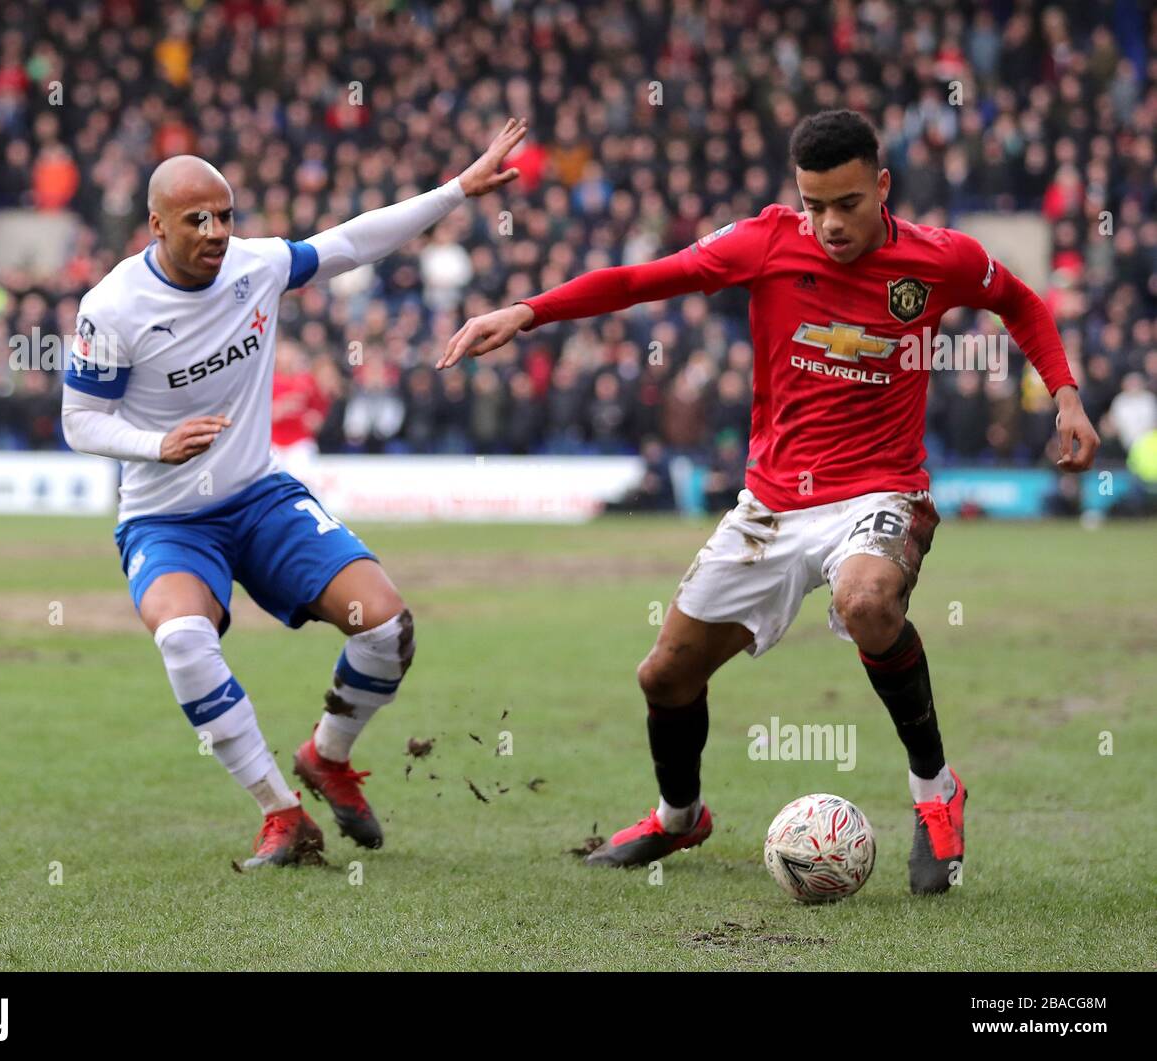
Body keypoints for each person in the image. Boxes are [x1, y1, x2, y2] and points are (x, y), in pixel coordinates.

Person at [437, 110, 1099, 895]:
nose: (828, 223)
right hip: (774, 503)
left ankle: (936, 792)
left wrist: (1065, 397)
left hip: (881, 489)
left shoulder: (940, 257)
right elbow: (642, 280)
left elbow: (1021, 303)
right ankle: (679, 817)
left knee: (867, 600)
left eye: (847, 203)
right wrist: (527, 311)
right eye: (813, 204)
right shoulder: (764, 241)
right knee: (665, 677)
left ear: (881, 187)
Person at [61, 120, 527, 868]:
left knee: (386, 627)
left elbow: (352, 241)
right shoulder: (113, 307)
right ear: (155, 224)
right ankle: (281, 812)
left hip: (259, 497)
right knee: (183, 639)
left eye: (226, 215)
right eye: (197, 220)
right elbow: (79, 418)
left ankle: (328, 755)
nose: (216, 231)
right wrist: (157, 444)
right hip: (168, 518)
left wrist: (457, 190)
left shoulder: (256, 266)